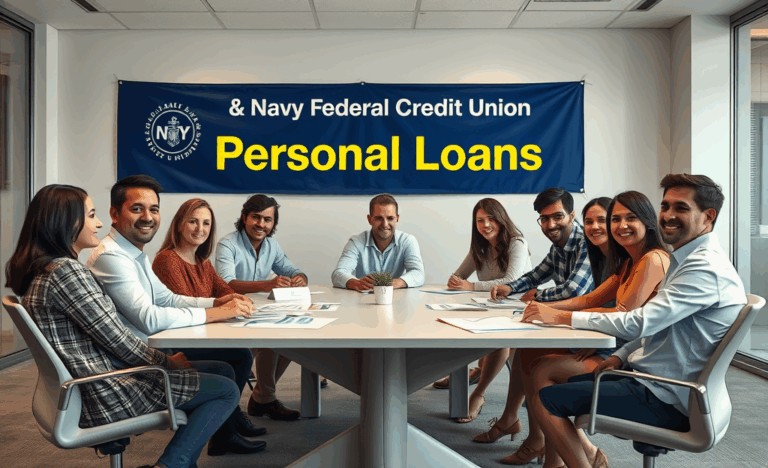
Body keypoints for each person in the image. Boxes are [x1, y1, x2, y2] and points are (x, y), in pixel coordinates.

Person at [5, 184, 240, 468]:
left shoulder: (49, 270)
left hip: (93, 381)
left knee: (223, 369)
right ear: (66, 222)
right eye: (91, 215)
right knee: (227, 389)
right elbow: (119, 340)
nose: (99, 223)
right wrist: (167, 362)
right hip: (108, 389)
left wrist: (215, 305)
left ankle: (181, 462)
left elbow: (154, 307)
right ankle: (171, 465)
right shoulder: (67, 273)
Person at [523, 174, 747, 468]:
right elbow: (656, 325)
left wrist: (562, 317)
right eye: (665, 206)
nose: (667, 215)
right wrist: (621, 355)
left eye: (680, 208)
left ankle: (581, 461)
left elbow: (637, 322)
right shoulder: (686, 259)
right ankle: (568, 459)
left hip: (664, 395)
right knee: (540, 368)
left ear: (708, 216)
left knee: (545, 398)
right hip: (650, 377)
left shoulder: (703, 268)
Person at [87, 175, 266, 456]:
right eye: (137, 209)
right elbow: (149, 318)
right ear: (114, 213)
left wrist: (216, 301)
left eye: (154, 209)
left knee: (229, 366)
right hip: (139, 364)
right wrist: (215, 312)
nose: (148, 217)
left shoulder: (133, 254)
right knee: (227, 386)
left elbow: (167, 298)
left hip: (148, 353)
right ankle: (177, 462)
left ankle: (206, 444)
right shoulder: (112, 257)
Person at [502, 191, 670, 467]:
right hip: (621, 346)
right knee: (533, 361)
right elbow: (588, 300)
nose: (620, 226)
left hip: (633, 359)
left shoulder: (652, 260)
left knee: (541, 369)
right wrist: (551, 312)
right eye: (616, 219)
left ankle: (570, 456)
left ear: (647, 221)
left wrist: (556, 316)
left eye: (629, 218)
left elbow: (623, 315)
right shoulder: (629, 262)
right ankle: (560, 456)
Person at [473, 196, 613, 444]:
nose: (550, 224)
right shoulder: (559, 246)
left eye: (557, 216)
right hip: (584, 325)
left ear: (571, 215)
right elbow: (536, 274)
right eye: (544, 218)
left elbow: (575, 291)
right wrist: (510, 287)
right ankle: (518, 426)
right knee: (525, 352)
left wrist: (539, 295)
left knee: (535, 362)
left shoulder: (585, 243)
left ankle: (566, 447)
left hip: (598, 338)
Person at [432, 199, 533, 424]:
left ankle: (478, 393)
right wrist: (455, 280)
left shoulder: (517, 243)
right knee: (453, 324)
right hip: (490, 305)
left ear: (501, 219)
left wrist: (470, 286)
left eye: (491, 219)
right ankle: (467, 373)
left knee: (499, 341)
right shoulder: (479, 246)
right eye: (480, 220)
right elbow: (459, 276)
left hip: (517, 307)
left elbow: (512, 281)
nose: (485, 224)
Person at [215, 194, 306, 421]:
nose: (261, 224)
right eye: (256, 218)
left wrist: (300, 277)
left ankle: (263, 397)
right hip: (232, 314)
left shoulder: (271, 245)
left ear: (273, 223)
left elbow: (291, 268)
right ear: (245, 217)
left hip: (259, 313)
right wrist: (267, 284)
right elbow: (226, 283)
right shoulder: (228, 244)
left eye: (267, 220)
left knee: (290, 343)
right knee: (271, 343)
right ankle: (263, 400)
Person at [331, 193, 425, 290]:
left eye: (390, 218)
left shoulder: (407, 241)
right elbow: (338, 274)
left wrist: (396, 283)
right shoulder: (356, 242)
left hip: (398, 296)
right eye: (379, 218)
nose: (385, 224)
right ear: (369, 219)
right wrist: (356, 283)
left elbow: (419, 274)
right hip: (363, 299)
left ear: (397, 218)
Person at [153, 198, 235, 298]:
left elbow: (227, 292)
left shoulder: (204, 262)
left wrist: (241, 300)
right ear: (179, 225)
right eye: (193, 222)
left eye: (206, 223)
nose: (200, 229)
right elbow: (187, 306)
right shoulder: (167, 259)